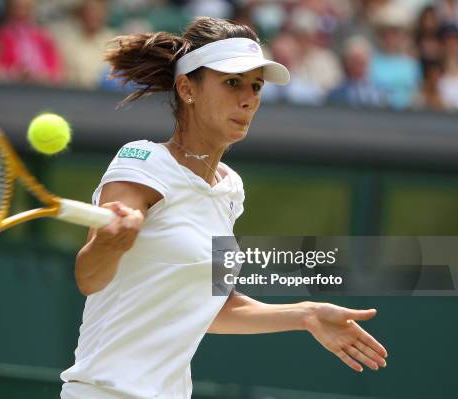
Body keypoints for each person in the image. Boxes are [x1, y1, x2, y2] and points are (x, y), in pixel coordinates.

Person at [60, 17, 388, 399]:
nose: (248, 98)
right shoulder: (143, 161)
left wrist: (306, 314)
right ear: (187, 88)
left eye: (256, 86)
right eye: (232, 83)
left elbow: (212, 307)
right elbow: (90, 276)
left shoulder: (229, 188)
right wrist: (111, 243)